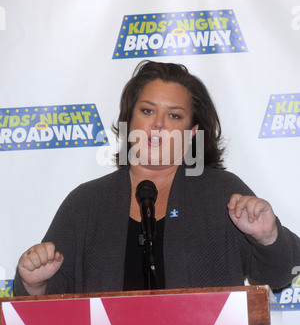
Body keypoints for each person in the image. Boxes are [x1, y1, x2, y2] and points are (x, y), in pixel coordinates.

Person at [14, 61, 300, 296]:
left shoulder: (221, 193)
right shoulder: (86, 203)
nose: (158, 124)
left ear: (191, 133)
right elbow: (46, 309)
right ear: (130, 121)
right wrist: (34, 283)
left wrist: (268, 237)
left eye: (174, 116)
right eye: (147, 111)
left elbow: (279, 275)